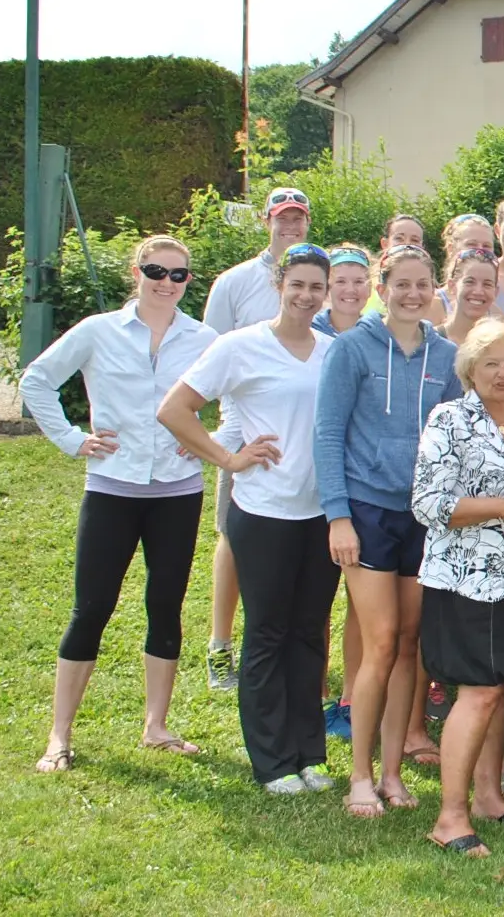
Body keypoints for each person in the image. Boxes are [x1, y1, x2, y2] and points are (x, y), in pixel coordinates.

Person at [25, 236, 218, 773]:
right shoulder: (97, 331)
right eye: (156, 270)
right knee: (91, 608)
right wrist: (71, 439)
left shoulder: (205, 338)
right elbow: (36, 379)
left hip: (178, 491)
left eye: (178, 274)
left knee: (166, 606)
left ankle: (156, 727)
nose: (166, 282)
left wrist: (207, 437)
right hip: (111, 487)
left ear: (188, 281)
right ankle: (59, 735)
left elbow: (247, 392)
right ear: (137, 272)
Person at [159, 242, 335, 794]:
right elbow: (174, 409)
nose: (306, 296)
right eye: (297, 285)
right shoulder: (240, 347)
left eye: (316, 287)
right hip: (263, 513)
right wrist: (228, 458)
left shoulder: (332, 351)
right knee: (268, 632)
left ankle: (309, 754)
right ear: (279, 286)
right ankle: (273, 761)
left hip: (320, 515)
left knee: (309, 635)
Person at [313, 244, 462, 816]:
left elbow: (452, 440)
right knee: (378, 643)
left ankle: (394, 770)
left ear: (433, 289)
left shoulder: (446, 356)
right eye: (401, 283)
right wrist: (338, 516)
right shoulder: (352, 349)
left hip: (422, 517)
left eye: (422, 284)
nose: (412, 293)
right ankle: (359, 774)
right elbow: (327, 435)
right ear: (383, 286)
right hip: (367, 512)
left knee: (407, 644)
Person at [410, 321, 504, 857]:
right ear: (470, 370)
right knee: (478, 689)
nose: (503, 373)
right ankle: (449, 817)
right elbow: (427, 503)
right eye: (491, 363)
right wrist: (502, 508)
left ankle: (490, 796)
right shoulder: (450, 419)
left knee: (500, 685)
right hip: (470, 576)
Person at [199, 186, 312, 691]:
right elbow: (203, 358)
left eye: (298, 218)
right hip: (245, 431)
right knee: (234, 538)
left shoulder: (315, 275)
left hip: (299, 431)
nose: (290, 225)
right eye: (282, 217)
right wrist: (223, 446)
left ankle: (284, 646)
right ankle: (221, 645)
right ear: (267, 219)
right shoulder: (235, 282)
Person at [439, 247, 499, 344]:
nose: (478, 291)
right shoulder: (429, 341)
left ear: (496, 292)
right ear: (452, 286)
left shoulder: (500, 344)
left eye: (487, 284)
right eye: (470, 282)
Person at [317, 247, 373, 335]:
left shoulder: (380, 334)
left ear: (369, 288)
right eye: (340, 281)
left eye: (358, 282)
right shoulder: (310, 329)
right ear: (326, 287)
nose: (350, 290)